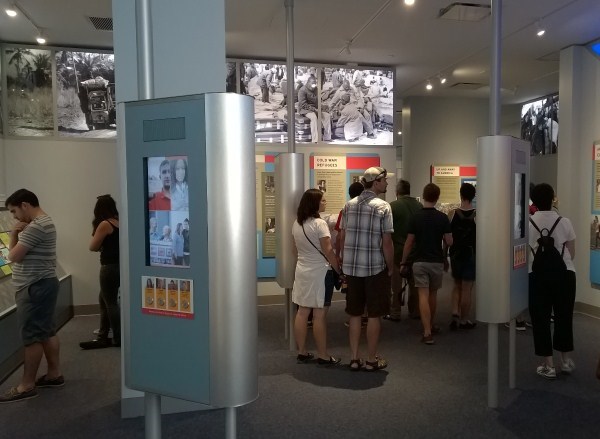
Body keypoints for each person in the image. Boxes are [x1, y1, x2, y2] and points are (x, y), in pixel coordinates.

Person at [0, 189, 61, 403]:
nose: (14, 217)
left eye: (14, 211)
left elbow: (12, 256)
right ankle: (54, 374)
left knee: (32, 337)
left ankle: (26, 385)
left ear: (25, 205)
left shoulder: (36, 226)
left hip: (34, 287)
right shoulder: (44, 222)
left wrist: (14, 233)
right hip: (43, 284)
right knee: (46, 331)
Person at [340, 167, 394, 371]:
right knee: (373, 315)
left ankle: (354, 359)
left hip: (352, 269)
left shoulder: (349, 205)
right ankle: (371, 360)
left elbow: (343, 237)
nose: (387, 184)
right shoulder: (383, 207)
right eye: (385, 180)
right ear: (377, 181)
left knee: (354, 314)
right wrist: (390, 267)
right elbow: (386, 243)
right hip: (374, 268)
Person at [528, 183, 576, 379]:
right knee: (564, 316)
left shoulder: (528, 223)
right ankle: (565, 361)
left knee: (541, 319)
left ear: (534, 201)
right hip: (565, 275)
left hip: (537, 275)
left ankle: (548, 364)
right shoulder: (565, 222)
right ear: (552, 199)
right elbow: (572, 253)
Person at [292, 189, 342, 366]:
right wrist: (339, 271)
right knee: (320, 314)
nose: (325, 203)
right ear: (314, 203)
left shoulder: (297, 224)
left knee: (302, 312)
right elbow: (328, 251)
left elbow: (297, 249)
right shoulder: (319, 224)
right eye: (322, 201)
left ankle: (302, 352)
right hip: (320, 272)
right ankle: (323, 355)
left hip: (302, 271)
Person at [401, 183, 453, 345]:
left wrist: (403, 261)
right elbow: (449, 240)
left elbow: (409, 243)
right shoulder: (442, 218)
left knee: (422, 295)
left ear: (423, 196)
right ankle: (430, 324)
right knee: (433, 295)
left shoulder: (416, 217)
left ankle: (427, 331)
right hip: (436, 261)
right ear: (437, 198)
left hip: (419, 261)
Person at [80, 195, 121, 349]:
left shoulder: (105, 224)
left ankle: (117, 337)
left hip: (108, 267)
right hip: (119, 266)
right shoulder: (118, 222)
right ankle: (103, 335)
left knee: (110, 303)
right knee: (104, 299)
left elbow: (92, 247)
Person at [385, 179, 422, 322]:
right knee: (415, 285)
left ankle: (395, 312)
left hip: (397, 251)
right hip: (415, 251)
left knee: (396, 284)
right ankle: (415, 311)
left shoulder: (392, 206)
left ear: (397, 192)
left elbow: (387, 231)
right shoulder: (419, 206)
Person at [448, 183, 477, 330]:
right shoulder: (478, 215)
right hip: (471, 254)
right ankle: (465, 319)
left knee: (456, 285)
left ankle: (455, 314)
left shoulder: (452, 213)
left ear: (461, 194)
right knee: (467, 288)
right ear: (473, 196)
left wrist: (444, 253)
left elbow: (446, 235)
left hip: (455, 254)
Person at [298, 76, 331, 142]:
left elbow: (318, 101)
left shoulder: (316, 89)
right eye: (312, 84)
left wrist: (322, 107)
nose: (314, 86)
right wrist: (314, 109)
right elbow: (303, 104)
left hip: (315, 109)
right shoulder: (302, 90)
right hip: (305, 110)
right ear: (308, 83)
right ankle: (315, 139)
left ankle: (327, 137)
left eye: (315, 84)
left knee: (327, 116)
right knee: (313, 117)